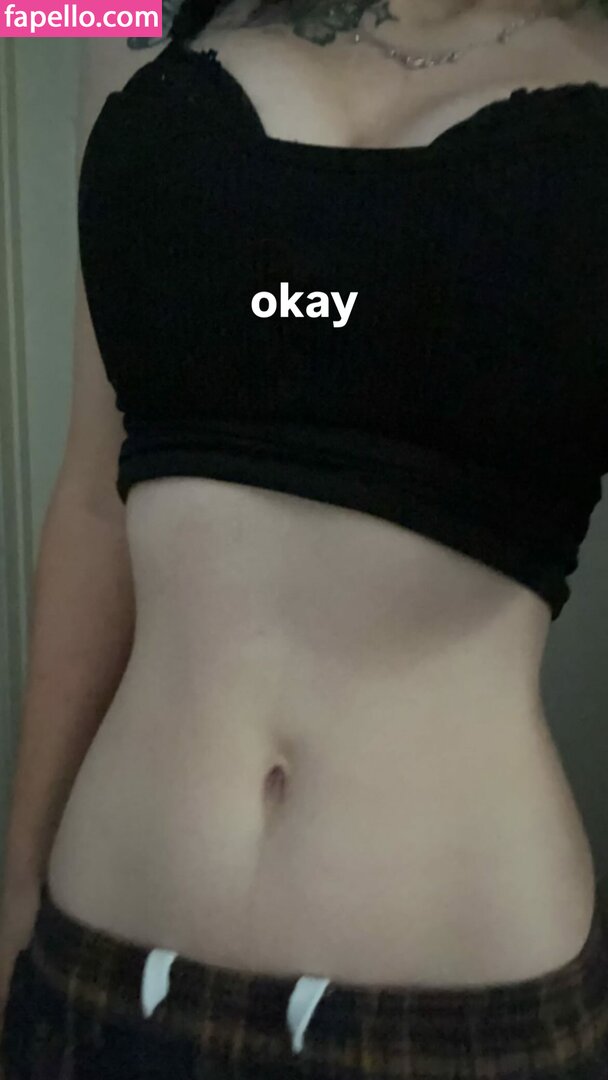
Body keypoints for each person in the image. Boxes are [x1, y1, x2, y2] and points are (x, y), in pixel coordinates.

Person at [1, 0, 608, 1074]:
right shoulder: (131, 19)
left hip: (464, 1019)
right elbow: (96, 495)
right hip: (98, 968)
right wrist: (14, 884)